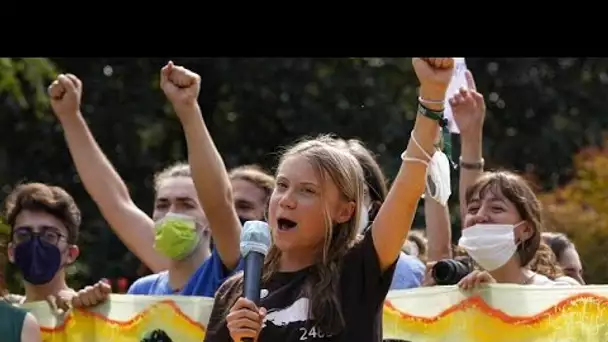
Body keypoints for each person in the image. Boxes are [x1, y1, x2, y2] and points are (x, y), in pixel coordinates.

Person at [204, 57, 454, 341]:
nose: (286, 200)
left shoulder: (357, 271)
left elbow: (408, 188)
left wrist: (432, 95)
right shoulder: (235, 292)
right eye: (282, 185)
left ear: (345, 212)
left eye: (307, 191)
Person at [48, 65, 243, 297]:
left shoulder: (227, 273)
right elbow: (115, 201)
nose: (171, 214)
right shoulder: (143, 290)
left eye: (186, 204)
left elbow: (220, 201)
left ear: (209, 220)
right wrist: (70, 118)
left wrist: (188, 108)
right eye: (162, 205)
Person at [445, 71, 572, 288]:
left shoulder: (555, 293)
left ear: (526, 230)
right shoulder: (462, 299)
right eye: (473, 209)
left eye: (496, 209)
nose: (480, 216)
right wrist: (469, 135)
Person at [333, 138, 425, 290]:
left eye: (358, 192)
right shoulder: (289, 265)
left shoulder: (408, 275)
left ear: (374, 207)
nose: (343, 205)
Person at [3, 182, 110, 310]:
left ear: (71, 254)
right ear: (11, 252)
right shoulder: (7, 318)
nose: (35, 243)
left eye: (49, 236)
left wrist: (93, 312)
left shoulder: (87, 310)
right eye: (23, 235)